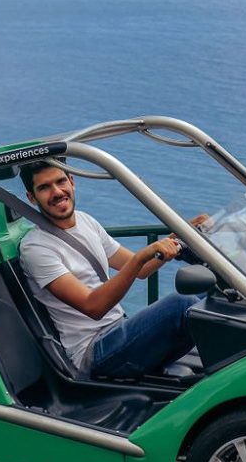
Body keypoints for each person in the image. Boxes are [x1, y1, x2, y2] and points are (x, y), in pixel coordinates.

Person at [18, 160, 202, 379]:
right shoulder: (36, 247)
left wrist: (182, 236)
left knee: (206, 296)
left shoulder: (86, 221)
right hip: (92, 351)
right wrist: (141, 257)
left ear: (72, 181)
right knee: (182, 305)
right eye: (45, 187)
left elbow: (141, 270)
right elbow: (93, 307)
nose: (57, 192)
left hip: (118, 328)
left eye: (60, 181)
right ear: (32, 197)